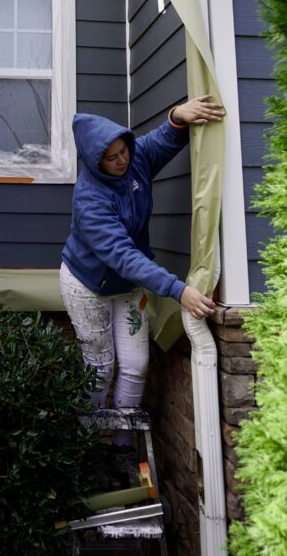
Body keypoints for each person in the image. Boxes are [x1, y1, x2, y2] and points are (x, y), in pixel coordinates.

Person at [60, 95, 225, 471]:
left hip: (128, 285)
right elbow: (123, 255)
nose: (122, 160)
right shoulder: (90, 199)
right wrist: (179, 290)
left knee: (136, 364)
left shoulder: (134, 163)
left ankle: (120, 446)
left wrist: (177, 117)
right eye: (111, 157)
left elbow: (160, 141)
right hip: (87, 284)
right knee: (99, 367)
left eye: (123, 151)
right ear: (93, 160)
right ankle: (85, 446)